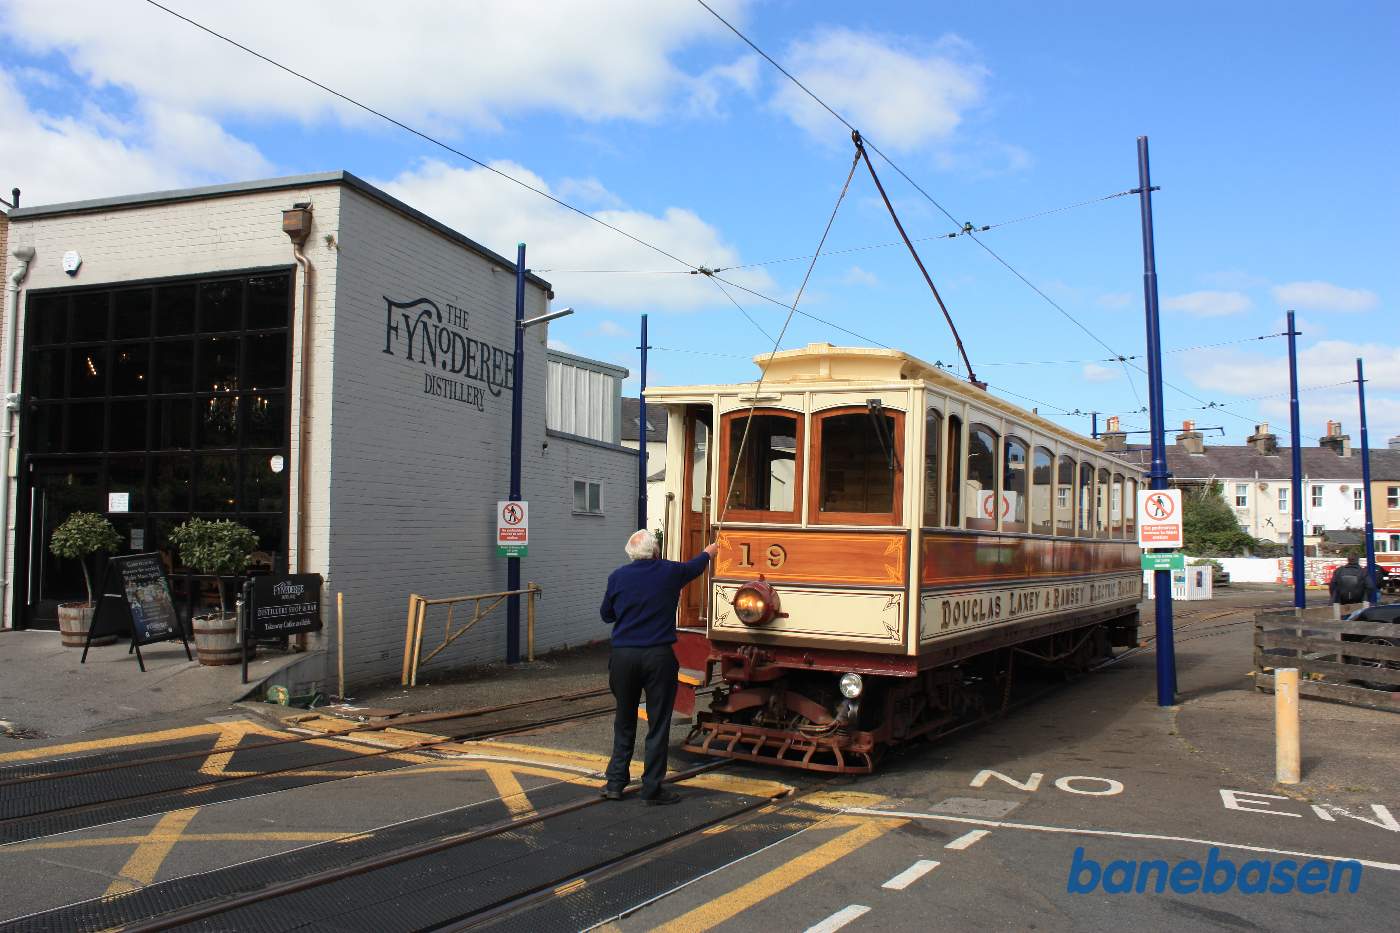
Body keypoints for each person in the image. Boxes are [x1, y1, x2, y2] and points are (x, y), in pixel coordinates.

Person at [598, 529, 717, 805]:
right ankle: (652, 788)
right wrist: (710, 552)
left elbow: (606, 615)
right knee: (658, 723)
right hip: (657, 656)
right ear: (656, 551)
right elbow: (695, 566)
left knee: (624, 719)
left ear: (630, 554)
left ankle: (615, 783)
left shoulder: (617, 577)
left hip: (624, 657)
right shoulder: (670, 572)